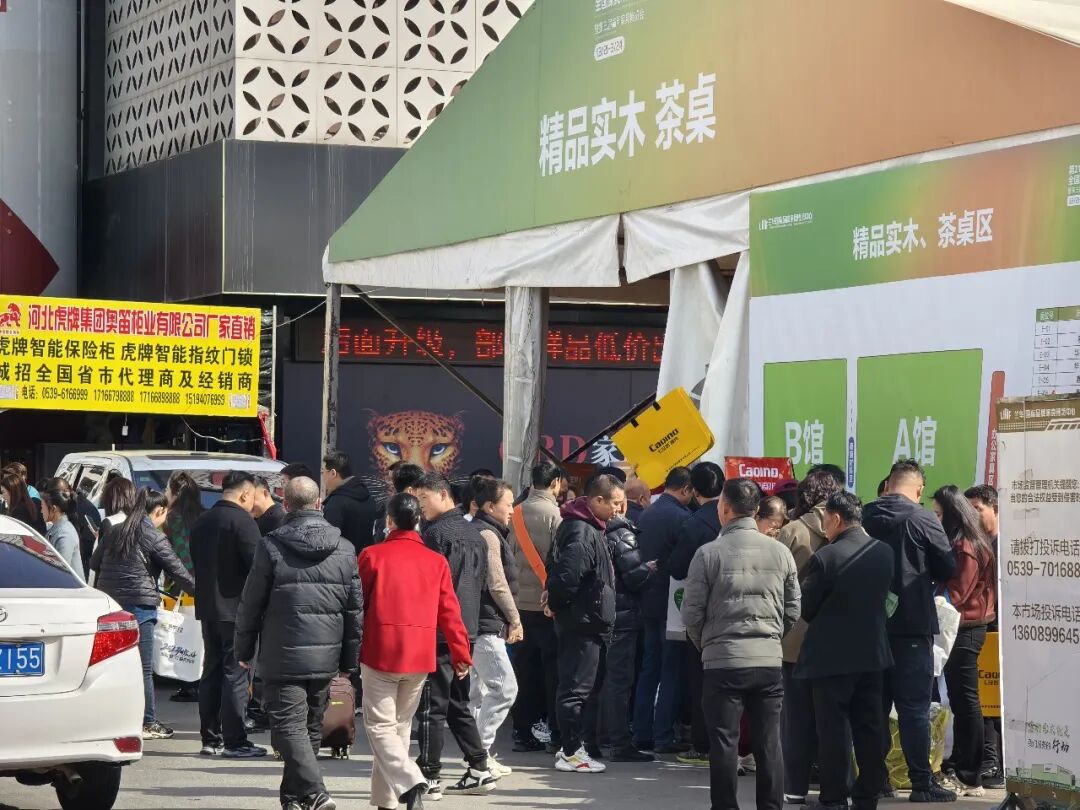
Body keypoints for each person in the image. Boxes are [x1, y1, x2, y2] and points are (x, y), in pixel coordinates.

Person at [234, 477, 363, 810]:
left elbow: (251, 603)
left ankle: (315, 792)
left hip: (283, 655)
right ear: (318, 504)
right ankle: (294, 798)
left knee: (290, 727)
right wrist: (349, 662)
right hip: (326, 656)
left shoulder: (271, 546)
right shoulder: (345, 548)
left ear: (286, 504)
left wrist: (243, 650)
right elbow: (354, 611)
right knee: (309, 728)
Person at [681, 477, 800, 810]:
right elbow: (793, 609)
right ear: (756, 509)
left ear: (724, 508)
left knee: (724, 743)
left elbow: (691, 614)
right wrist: (771, 638)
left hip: (722, 661)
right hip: (767, 661)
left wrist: (708, 645)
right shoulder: (781, 552)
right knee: (769, 743)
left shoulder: (708, 553)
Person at [359, 493, 474, 810]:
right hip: (420, 655)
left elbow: (358, 607)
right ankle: (387, 801)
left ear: (389, 521)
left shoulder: (371, 555)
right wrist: (461, 652)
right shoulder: (435, 561)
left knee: (381, 727)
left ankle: (410, 782)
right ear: (419, 521)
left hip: (381, 650)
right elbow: (449, 612)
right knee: (398, 728)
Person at [863, 459, 957, 803]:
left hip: (868, 627)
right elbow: (947, 566)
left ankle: (874, 780)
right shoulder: (922, 518)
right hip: (912, 626)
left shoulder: (865, 515)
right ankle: (921, 783)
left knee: (873, 710)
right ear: (918, 489)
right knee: (913, 709)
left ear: (888, 484)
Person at [797, 491, 894, 810]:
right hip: (872, 654)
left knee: (833, 730)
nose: (824, 526)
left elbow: (807, 608)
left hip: (831, 658)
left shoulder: (827, 557)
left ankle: (834, 798)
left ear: (836, 519)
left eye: (825, 519)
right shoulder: (883, 552)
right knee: (870, 728)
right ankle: (867, 796)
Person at [414, 473, 496, 799]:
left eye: (424, 498)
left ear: (444, 495)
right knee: (457, 703)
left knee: (432, 706)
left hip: (439, 630)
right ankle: (479, 767)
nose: (420, 506)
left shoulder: (434, 535)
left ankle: (430, 775)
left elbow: (428, 587)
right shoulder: (476, 535)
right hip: (467, 629)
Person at [91, 487, 196, 740]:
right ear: (158, 510)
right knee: (143, 668)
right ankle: (147, 722)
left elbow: (94, 563)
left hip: (110, 608)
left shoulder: (115, 530)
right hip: (140, 608)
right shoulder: (153, 536)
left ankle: (112, 719)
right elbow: (178, 572)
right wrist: (203, 594)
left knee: (112, 666)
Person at [545, 473, 622, 774]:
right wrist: (555, 603)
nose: (618, 509)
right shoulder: (581, 530)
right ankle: (571, 751)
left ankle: (573, 748)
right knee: (575, 689)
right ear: (598, 500)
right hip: (582, 622)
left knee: (580, 687)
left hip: (587, 620)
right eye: (615, 503)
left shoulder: (587, 526)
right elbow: (567, 577)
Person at [775, 470, 843, 804]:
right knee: (832, 717)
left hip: (794, 638)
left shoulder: (792, 531)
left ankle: (794, 787)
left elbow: (776, 583)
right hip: (834, 636)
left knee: (796, 717)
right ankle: (834, 788)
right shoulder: (845, 530)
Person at [190, 470, 266, 759]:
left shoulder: (202, 521)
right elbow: (257, 569)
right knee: (236, 674)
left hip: (208, 609)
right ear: (245, 494)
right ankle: (235, 741)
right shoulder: (243, 522)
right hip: (237, 612)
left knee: (211, 671)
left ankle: (210, 738)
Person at [933, 485, 996, 797]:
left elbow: (957, 593)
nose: (935, 519)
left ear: (951, 514)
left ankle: (970, 775)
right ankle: (962, 766)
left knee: (966, 700)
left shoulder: (965, 545)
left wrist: (932, 590)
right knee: (961, 699)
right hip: (968, 625)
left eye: (938, 514)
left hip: (965, 627)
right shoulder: (971, 540)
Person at [668, 461, 726, 768]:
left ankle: (702, 745)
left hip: (704, 612)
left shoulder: (694, 524)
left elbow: (678, 568)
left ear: (694, 490)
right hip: (739, 612)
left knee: (701, 678)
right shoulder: (739, 521)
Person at [633, 466, 694, 754]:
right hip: (673, 601)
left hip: (647, 599)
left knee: (649, 667)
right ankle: (663, 735)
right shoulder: (682, 518)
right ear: (686, 489)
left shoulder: (647, 513)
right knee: (670, 669)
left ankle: (641, 731)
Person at [593, 491, 655, 762]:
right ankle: (618, 741)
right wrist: (648, 570)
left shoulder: (594, 530)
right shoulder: (622, 534)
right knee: (619, 680)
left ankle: (600, 736)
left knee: (602, 678)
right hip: (624, 615)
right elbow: (633, 577)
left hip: (603, 613)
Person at [507, 460, 564, 753]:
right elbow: (560, 559)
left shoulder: (515, 513)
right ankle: (554, 732)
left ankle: (522, 731)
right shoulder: (556, 515)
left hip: (518, 604)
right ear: (555, 483)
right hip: (546, 604)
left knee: (522, 668)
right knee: (552, 669)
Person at [470, 478, 524, 776]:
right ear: (490, 506)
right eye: (508, 505)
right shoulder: (488, 535)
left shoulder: (481, 530)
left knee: (478, 693)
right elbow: (497, 582)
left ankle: (478, 755)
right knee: (504, 689)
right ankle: (479, 755)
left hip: (479, 622)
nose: (512, 510)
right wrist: (515, 619)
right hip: (485, 623)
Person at [964, 484, 1003, 788]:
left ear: (995, 509)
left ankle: (1001, 763)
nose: (973, 516)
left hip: (1004, 634)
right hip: (982, 633)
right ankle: (988, 761)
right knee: (984, 700)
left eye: (977, 509)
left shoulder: (1008, 546)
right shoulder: (974, 546)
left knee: (1000, 702)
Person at [322, 450, 378, 554]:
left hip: (343, 561)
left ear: (333, 473)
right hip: (366, 559)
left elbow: (328, 542)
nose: (323, 477)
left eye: (323, 472)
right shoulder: (369, 497)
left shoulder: (335, 503)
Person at [40, 482, 85, 580]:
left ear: (53, 509)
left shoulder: (64, 533)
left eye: (42, 507)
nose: (41, 511)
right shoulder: (58, 528)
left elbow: (60, 570)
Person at [1, 468, 46, 535]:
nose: (2, 496)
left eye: (3, 492)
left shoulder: (17, 511)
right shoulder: (34, 502)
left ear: (12, 492)